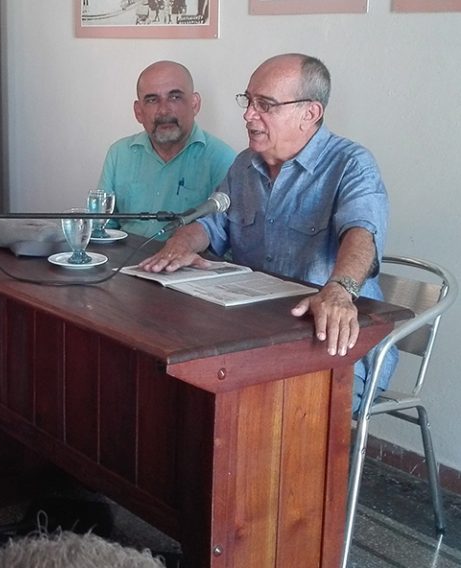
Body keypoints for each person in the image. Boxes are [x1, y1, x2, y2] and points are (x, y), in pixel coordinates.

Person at [139, 53, 396, 413]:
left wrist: (340, 290)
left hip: (331, 342)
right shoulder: (246, 164)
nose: (248, 115)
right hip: (253, 335)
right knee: (174, 381)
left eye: (266, 105)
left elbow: (362, 233)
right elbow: (213, 223)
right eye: (248, 101)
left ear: (310, 113)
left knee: (261, 413)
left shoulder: (351, 165)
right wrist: (181, 243)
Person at [97, 61, 236, 239]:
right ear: (138, 112)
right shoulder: (119, 154)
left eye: (175, 97)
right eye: (152, 100)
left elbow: (225, 238)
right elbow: (102, 228)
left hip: (190, 264)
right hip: (125, 262)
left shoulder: (222, 159)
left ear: (194, 104)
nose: (164, 110)